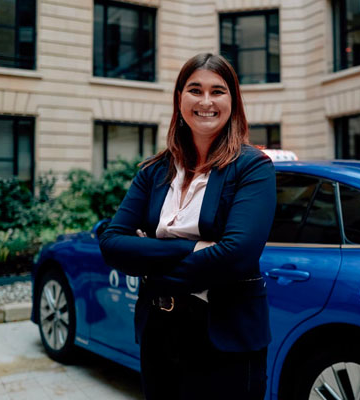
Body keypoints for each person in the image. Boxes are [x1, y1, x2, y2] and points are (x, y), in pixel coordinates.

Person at [99, 53, 276, 400]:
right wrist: (196, 248)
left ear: (233, 101)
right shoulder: (153, 171)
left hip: (226, 337)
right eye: (195, 90)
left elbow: (237, 255)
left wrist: (150, 265)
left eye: (218, 91)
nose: (206, 101)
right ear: (180, 98)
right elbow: (111, 243)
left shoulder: (252, 167)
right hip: (159, 329)